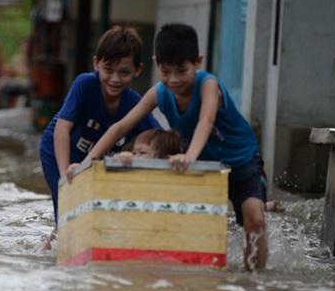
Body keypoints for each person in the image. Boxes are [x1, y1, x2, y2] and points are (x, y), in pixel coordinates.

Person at [68, 23, 270, 271]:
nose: (173, 80)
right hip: (199, 167)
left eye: (182, 71)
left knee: (254, 219)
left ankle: (255, 284)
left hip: (241, 162)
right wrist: (85, 164)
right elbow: (120, 127)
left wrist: (189, 158)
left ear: (198, 62)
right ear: (156, 64)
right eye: (166, 71)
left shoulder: (208, 85)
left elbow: (206, 121)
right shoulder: (159, 93)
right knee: (175, 219)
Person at [39, 26, 162, 249]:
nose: (115, 79)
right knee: (69, 215)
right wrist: (65, 176)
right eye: (108, 70)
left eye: (124, 72)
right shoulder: (85, 84)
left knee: (98, 213)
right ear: (96, 64)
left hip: (95, 158)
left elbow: (160, 142)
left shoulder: (135, 105)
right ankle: (52, 259)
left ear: (137, 70)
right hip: (59, 151)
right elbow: (61, 130)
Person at [114, 129, 284, 213]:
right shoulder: (133, 171)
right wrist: (121, 160)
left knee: (233, 210)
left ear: (165, 159)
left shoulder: (175, 174)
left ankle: (263, 207)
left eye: (142, 153)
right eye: (134, 152)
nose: (135, 158)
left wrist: (180, 162)